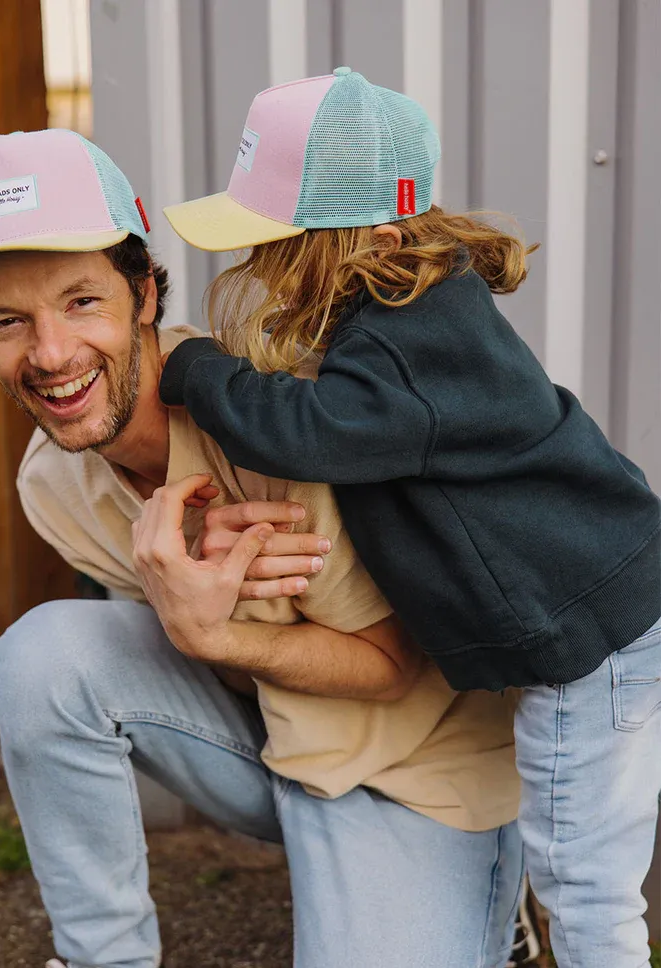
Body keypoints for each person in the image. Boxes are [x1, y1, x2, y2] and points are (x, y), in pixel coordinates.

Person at [0, 129, 525, 968]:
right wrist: (206, 605)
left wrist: (211, 630)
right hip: (276, 740)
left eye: (81, 301)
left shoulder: (272, 419)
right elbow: (225, 670)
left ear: (142, 292)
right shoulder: (53, 487)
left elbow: (392, 666)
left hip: (416, 767)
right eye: (7, 323)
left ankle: (491, 895)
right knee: (41, 657)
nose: (51, 354)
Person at [158, 68, 661, 967]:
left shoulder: (412, 341)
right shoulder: (421, 308)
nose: (260, 268)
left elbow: (305, 431)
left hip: (595, 648)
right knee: (584, 859)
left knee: (584, 879)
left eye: (279, 247)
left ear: (376, 239)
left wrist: (194, 370)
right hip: (606, 616)